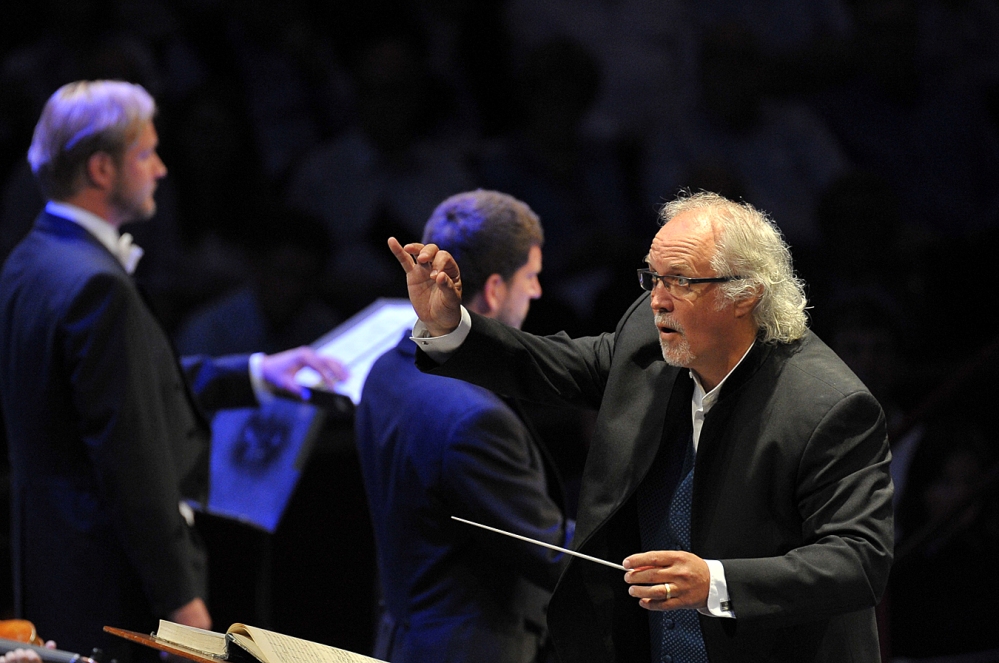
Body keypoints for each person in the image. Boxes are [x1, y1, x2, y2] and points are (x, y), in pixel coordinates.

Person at [387, 190, 893, 662]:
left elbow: (859, 559)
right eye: (653, 277)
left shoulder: (829, 405)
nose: (658, 300)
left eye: (681, 281)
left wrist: (714, 582)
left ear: (745, 295)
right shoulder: (649, 337)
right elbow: (560, 365)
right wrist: (449, 325)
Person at [0, 80, 345, 662]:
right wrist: (182, 604)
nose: (162, 168)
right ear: (102, 169)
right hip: (112, 583)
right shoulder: (96, 284)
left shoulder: (31, 257)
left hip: (53, 564)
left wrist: (257, 372)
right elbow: (133, 466)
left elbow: (126, 385)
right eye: (147, 153)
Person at [356, 190, 573, 663]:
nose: (537, 291)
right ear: (494, 289)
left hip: (402, 639)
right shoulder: (476, 420)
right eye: (531, 277)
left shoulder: (384, 371)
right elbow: (554, 555)